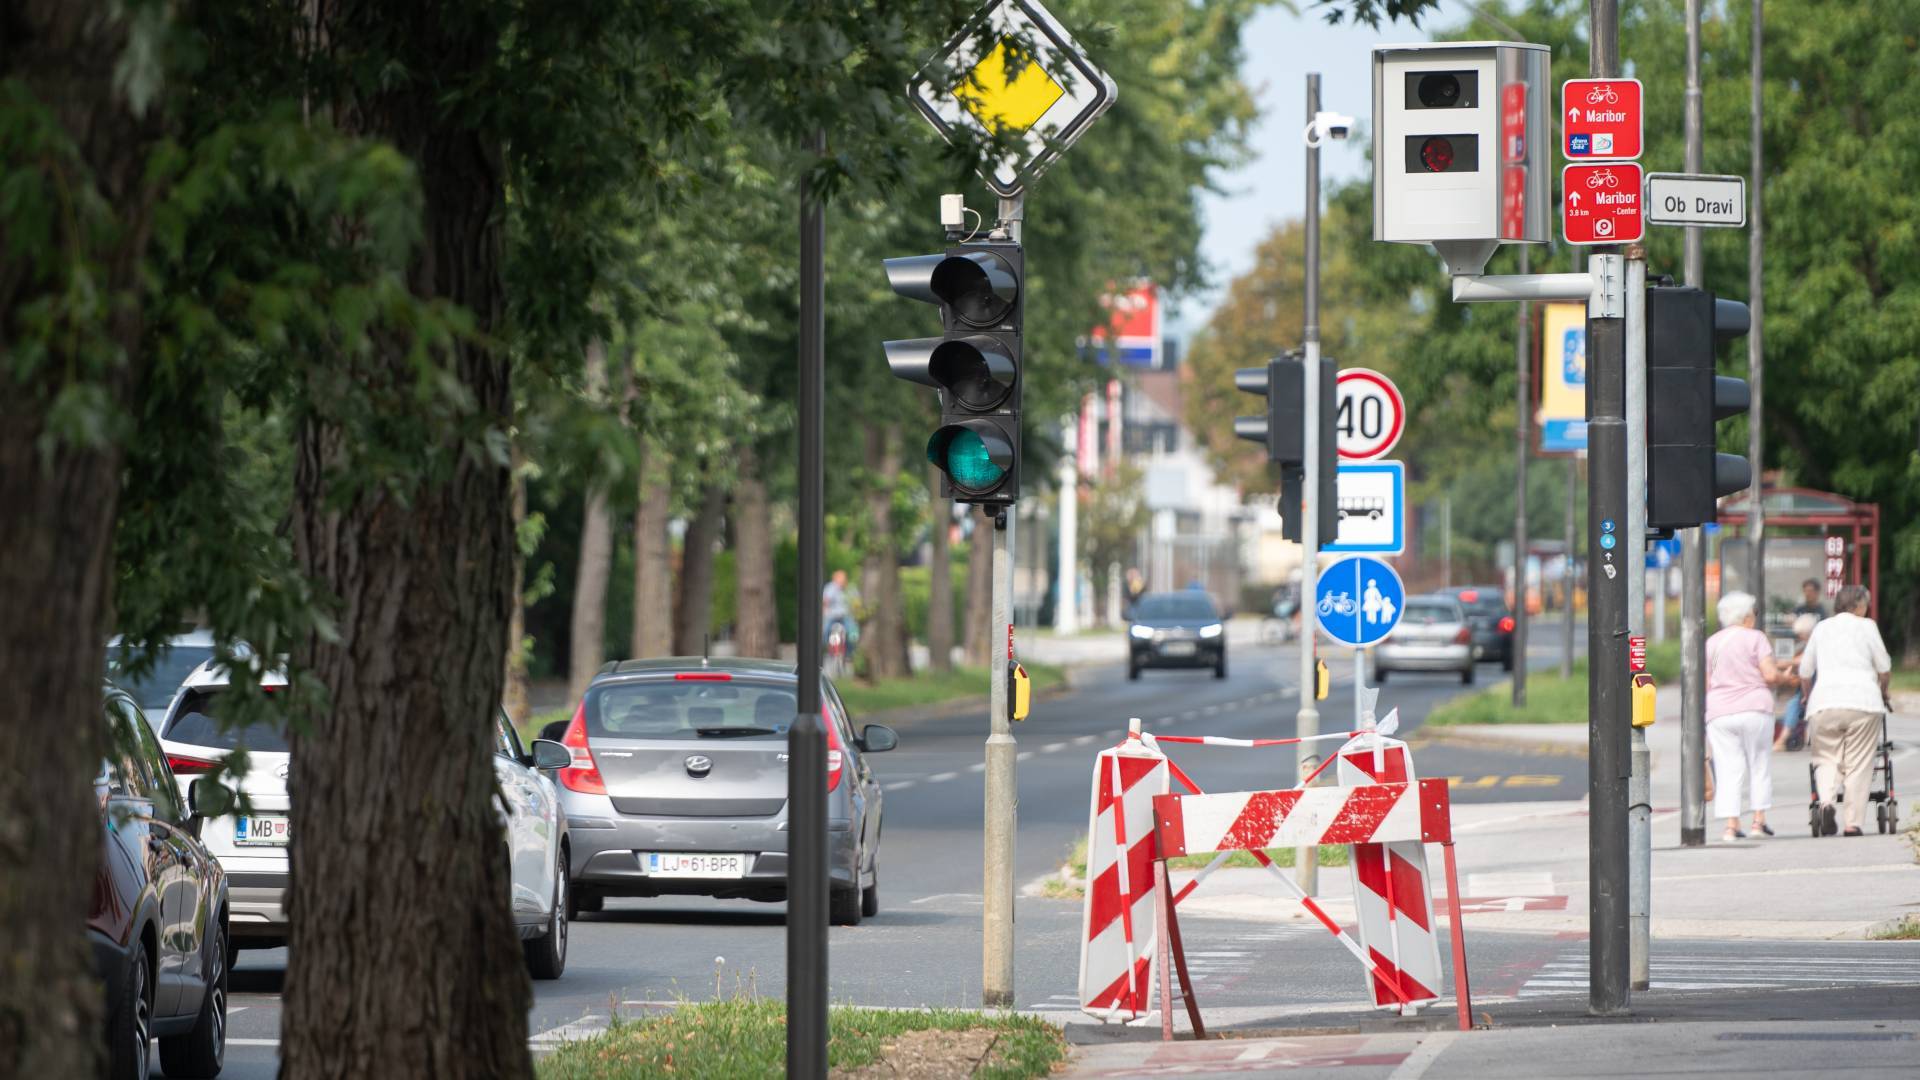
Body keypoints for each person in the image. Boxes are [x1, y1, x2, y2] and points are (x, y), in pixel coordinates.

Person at [1799, 584, 1892, 837]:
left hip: (1824, 702)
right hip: (1863, 701)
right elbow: (1883, 666)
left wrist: (1807, 695)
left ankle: (1827, 802)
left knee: (1826, 757)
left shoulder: (1821, 628)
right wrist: (1884, 691)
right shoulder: (1867, 626)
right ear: (1859, 605)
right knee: (1859, 763)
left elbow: (1805, 671)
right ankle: (1853, 823)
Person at [1705, 591, 1793, 841]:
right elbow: (1769, 675)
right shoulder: (1756, 638)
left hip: (1720, 711)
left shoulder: (1712, 642)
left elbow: (1707, 682)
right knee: (1759, 763)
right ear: (1745, 617)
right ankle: (1758, 821)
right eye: (1753, 613)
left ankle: (1731, 826)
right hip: (1755, 708)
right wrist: (1786, 678)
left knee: (1727, 767)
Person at [1774, 612, 1819, 751]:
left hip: (1817, 689)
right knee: (1798, 700)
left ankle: (1782, 739)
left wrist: (1777, 664)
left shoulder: (1816, 643)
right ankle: (1803, 736)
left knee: (1794, 703)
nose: (1800, 637)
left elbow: (1802, 660)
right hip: (1810, 687)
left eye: (1802, 634)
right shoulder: (1808, 644)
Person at [822, 569, 859, 656]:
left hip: (846, 615)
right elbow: (825, 602)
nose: (840, 583)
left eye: (842, 580)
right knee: (825, 630)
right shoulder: (830, 587)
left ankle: (850, 653)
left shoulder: (851, 589)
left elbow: (856, 603)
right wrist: (825, 612)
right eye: (838, 580)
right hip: (832, 615)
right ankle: (827, 649)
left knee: (853, 632)